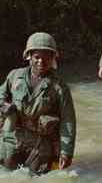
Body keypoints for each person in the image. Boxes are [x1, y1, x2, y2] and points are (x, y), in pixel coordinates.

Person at [0, 32, 76, 174]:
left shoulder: (59, 87)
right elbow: (0, 95)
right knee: (6, 169)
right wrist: (4, 107)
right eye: (37, 57)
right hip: (14, 138)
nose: (41, 61)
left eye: (46, 57)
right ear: (29, 56)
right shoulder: (15, 76)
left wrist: (66, 152)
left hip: (41, 143)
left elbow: (68, 121)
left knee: (38, 176)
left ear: (53, 58)